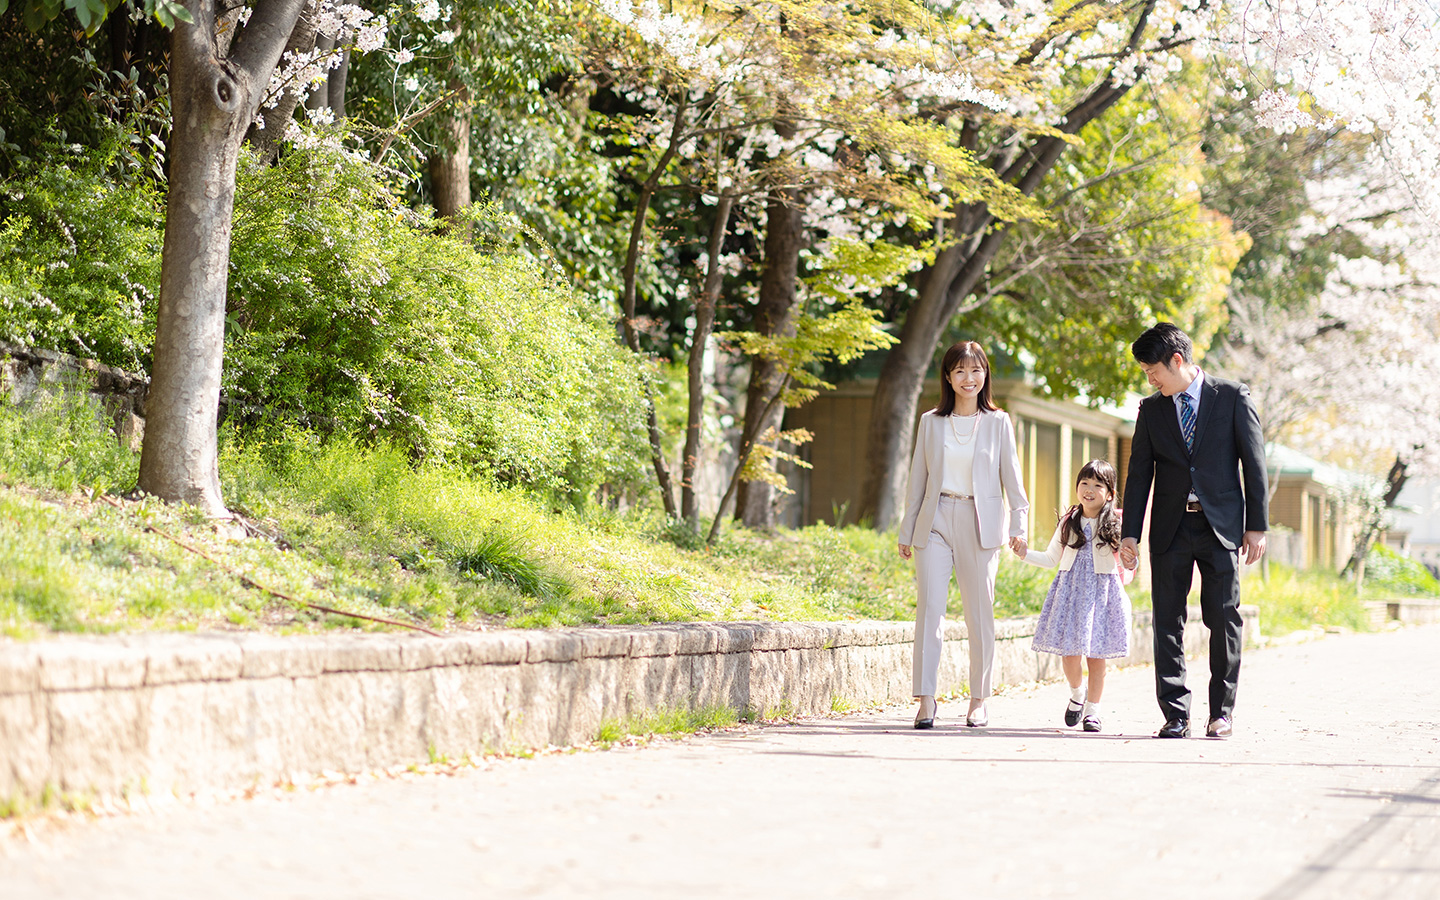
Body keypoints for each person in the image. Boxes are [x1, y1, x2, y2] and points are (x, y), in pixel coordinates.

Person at [1118, 323, 1267, 740]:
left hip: (1220, 527)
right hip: (1170, 527)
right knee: (1167, 619)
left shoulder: (1233, 397)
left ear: (1177, 361)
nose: (1150, 380)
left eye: (1153, 371)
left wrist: (1256, 526)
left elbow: (1253, 464)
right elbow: (1139, 474)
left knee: (1224, 618)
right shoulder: (1151, 409)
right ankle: (1176, 714)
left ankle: (1221, 712)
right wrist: (1130, 532)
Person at [898, 341, 1029, 729]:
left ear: (985, 375)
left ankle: (978, 699)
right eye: (959, 371)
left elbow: (1014, 483)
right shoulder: (930, 422)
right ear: (948, 377)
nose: (968, 379)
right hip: (935, 519)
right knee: (929, 611)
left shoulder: (998, 423)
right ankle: (926, 701)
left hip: (980, 521)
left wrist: (1019, 528)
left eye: (975, 371)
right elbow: (916, 481)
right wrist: (907, 529)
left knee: (979, 615)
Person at [1016, 459, 1135, 733]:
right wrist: (1023, 553)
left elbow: (1129, 560)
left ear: (1110, 493)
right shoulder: (1070, 521)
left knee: (1096, 657)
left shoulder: (1116, 522)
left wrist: (1131, 562)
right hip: (1070, 593)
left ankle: (1093, 711)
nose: (1089, 489)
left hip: (1102, 595)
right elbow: (1050, 558)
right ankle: (1077, 693)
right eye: (1084, 483)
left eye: (1097, 484)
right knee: (1069, 655)